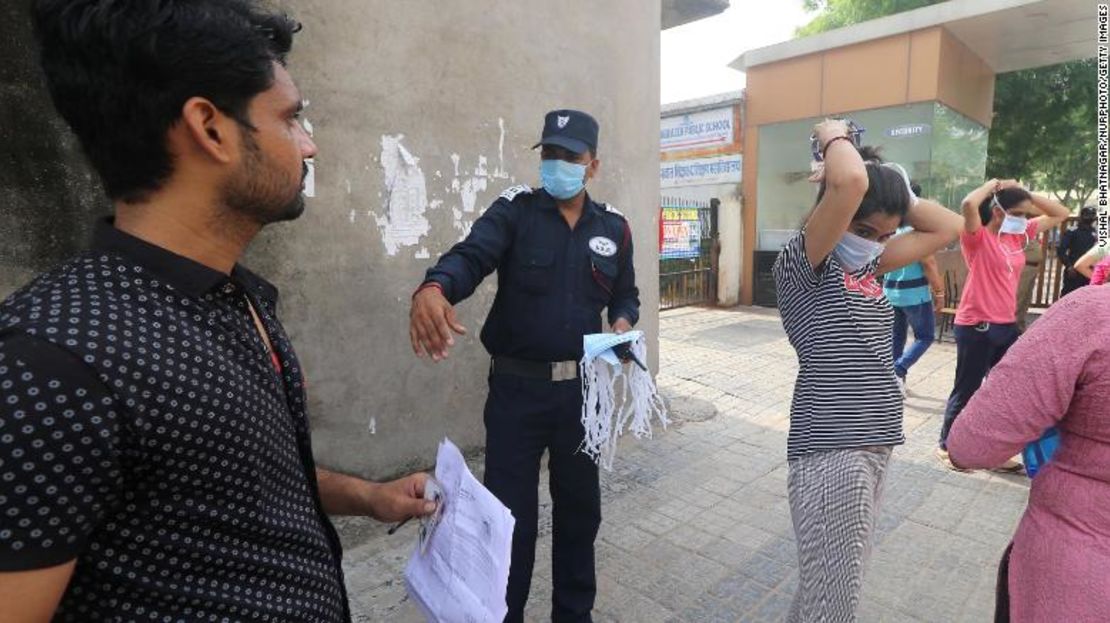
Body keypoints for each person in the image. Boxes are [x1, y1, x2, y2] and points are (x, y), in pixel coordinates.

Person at [0, 3, 435, 621]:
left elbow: (241, 482)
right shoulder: (52, 364)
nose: (309, 145)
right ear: (210, 127)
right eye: (291, 119)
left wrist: (369, 497)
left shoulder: (240, 297)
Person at [409, 109, 638, 622]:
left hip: (581, 394)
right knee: (510, 521)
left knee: (580, 515)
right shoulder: (515, 212)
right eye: (549, 154)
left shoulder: (615, 229)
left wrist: (623, 325)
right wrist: (435, 286)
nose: (557, 164)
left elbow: (626, 296)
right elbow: (471, 256)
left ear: (592, 166)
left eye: (569, 157)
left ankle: (573, 616)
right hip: (517, 393)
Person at [773, 119, 963, 622]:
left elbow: (949, 227)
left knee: (825, 591)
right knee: (834, 604)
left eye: (883, 233)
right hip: (833, 448)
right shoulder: (803, 263)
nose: (873, 242)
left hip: (872, 444)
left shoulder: (866, 267)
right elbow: (852, 183)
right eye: (862, 230)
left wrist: (892, 183)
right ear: (831, 214)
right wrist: (832, 134)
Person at [947, 285, 1110, 622]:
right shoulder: (983, 240)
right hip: (978, 324)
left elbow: (971, 445)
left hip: (1074, 569)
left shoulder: (1090, 313)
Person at [935, 180, 1069, 470]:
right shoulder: (977, 237)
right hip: (976, 325)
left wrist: (1026, 194)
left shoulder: (1017, 238)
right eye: (1019, 213)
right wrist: (992, 186)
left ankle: (990, 450)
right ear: (998, 212)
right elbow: (969, 205)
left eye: (1026, 214)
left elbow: (1060, 213)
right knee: (967, 387)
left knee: (1006, 391)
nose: (1025, 219)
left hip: (1006, 325)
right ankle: (947, 445)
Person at [883, 183, 945, 395]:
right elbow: (929, 264)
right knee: (925, 336)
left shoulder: (891, 230)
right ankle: (898, 371)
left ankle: (892, 383)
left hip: (891, 293)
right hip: (915, 296)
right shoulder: (917, 233)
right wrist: (939, 292)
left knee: (896, 338)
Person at [1056, 205, 1097, 297]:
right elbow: (1061, 250)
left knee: (1087, 296)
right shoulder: (1072, 231)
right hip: (1074, 269)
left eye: (1092, 215)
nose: (1089, 218)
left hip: (1089, 270)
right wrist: (1069, 266)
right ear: (1081, 216)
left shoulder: (1095, 233)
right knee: (1068, 295)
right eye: (1087, 215)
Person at [1014, 238, 1044, 332]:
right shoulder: (1017, 232)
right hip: (1024, 268)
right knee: (1019, 298)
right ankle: (1013, 326)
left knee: (1026, 299)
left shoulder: (1028, 234)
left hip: (1032, 268)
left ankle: (1020, 326)